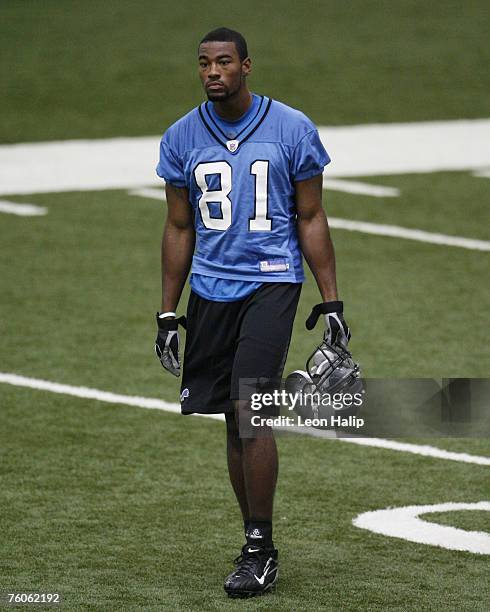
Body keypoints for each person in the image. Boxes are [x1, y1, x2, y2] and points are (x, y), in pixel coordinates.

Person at [154, 27, 350, 599]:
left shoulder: (291, 127)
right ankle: (254, 538)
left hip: (272, 283)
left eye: (223, 62)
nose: (212, 72)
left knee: (249, 410)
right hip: (211, 291)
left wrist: (331, 299)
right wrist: (168, 312)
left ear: (246, 65)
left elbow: (311, 216)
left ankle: (259, 549)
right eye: (203, 64)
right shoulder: (181, 137)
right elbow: (178, 225)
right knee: (232, 421)